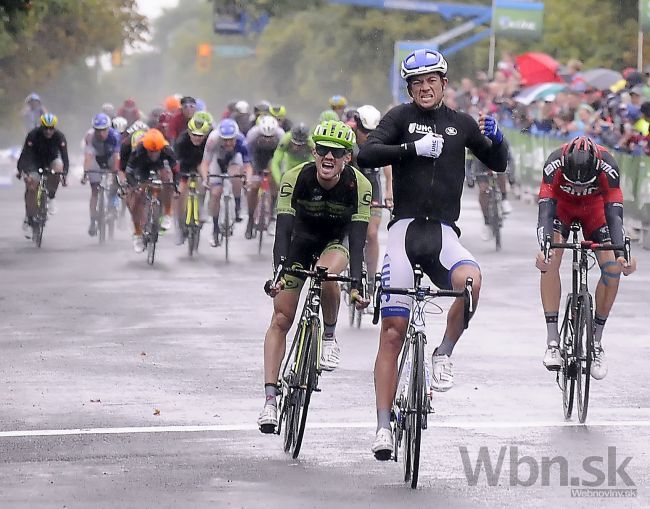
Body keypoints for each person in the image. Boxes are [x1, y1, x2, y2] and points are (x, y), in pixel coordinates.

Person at [356, 49, 509, 459]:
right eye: (417, 83)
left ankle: (443, 354)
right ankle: (384, 427)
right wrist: (410, 149)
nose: (425, 89)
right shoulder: (400, 117)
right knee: (392, 332)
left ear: (444, 84)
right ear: (410, 88)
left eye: (432, 82)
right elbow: (365, 154)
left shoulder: (460, 123)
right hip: (405, 232)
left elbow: (497, 163)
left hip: (443, 234)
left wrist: (498, 138)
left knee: (472, 283)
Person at [257, 120, 372, 433]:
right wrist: (280, 270)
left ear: (348, 157)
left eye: (336, 152)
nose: (328, 157)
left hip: (336, 244)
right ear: (314, 151)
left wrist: (359, 283)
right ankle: (269, 400)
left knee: (326, 274)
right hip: (299, 242)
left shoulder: (359, 185)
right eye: (322, 150)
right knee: (281, 319)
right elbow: (282, 230)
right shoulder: (296, 178)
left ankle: (330, 336)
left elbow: (359, 240)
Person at [535, 136, 636, 378]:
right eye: (574, 183)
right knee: (551, 260)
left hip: (596, 211)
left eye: (584, 184)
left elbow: (615, 217)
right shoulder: (554, 162)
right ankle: (552, 341)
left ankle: (597, 343)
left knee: (612, 268)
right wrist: (544, 248)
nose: (579, 187)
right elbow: (545, 212)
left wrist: (623, 254)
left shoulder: (608, 165)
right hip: (563, 209)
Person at [351, 105, 394, 282]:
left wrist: (389, 191)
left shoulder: (380, 140)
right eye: (363, 130)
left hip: (372, 188)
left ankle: (370, 280)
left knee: (371, 234)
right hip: (350, 188)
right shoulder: (349, 139)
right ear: (356, 126)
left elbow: (388, 165)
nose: (366, 136)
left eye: (371, 131)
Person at [199, 118, 251, 247]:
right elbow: (205, 163)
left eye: (231, 140)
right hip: (217, 160)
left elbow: (247, 165)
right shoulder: (213, 139)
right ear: (220, 137)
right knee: (215, 193)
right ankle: (215, 229)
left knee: (236, 175)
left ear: (236, 137)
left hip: (234, 159)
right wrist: (206, 179)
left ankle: (237, 205)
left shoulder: (241, 141)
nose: (228, 143)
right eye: (225, 140)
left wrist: (248, 179)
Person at [17, 113, 69, 236]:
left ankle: (51, 196)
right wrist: (21, 170)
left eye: (51, 128)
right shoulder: (33, 135)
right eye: (46, 128)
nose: (48, 131)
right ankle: (29, 217)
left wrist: (65, 174)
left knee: (58, 168)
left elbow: (65, 157)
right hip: (34, 162)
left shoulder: (59, 137)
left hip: (51, 160)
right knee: (31, 186)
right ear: (41, 126)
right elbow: (25, 154)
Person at [125, 129, 176, 253]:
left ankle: (167, 213)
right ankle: (137, 233)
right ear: (145, 148)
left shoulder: (167, 150)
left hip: (160, 166)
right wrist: (135, 187)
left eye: (156, 152)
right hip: (142, 168)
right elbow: (129, 172)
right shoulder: (138, 150)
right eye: (150, 152)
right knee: (137, 198)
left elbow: (175, 169)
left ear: (161, 148)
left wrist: (175, 184)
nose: (153, 154)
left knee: (167, 180)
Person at [173, 111, 213, 245]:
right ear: (189, 132)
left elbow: (207, 162)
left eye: (200, 136)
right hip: (184, 164)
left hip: (202, 163)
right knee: (180, 192)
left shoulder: (209, 139)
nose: (197, 138)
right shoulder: (181, 140)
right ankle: (179, 227)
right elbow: (176, 163)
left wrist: (206, 177)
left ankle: (201, 206)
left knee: (204, 183)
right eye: (194, 135)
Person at [244, 115, 285, 239]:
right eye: (265, 137)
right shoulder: (253, 134)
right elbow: (247, 156)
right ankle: (250, 219)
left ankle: (272, 215)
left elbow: (282, 157)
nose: (267, 140)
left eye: (270, 137)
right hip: (257, 156)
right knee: (253, 187)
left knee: (274, 181)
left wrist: (279, 175)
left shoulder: (280, 134)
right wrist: (250, 176)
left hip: (273, 156)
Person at [81, 113, 122, 237]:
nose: (101, 133)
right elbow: (88, 156)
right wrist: (85, 173)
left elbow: (116, 157)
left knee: (116, 179)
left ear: (108, 128)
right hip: (96, 159)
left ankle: (113, 204)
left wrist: (115, 174)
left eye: (104, 130)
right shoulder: (90, 136)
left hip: (110, 158)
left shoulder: (115, 135)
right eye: (98, 130)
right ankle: (93, 220)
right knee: (94, 190)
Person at [270, 122, 314, 188]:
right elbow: (275, 162)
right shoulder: (286, 139)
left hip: (304, 164)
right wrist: (279, 181)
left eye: (300, 145)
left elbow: (315, 163)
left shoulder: (311, 143)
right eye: (294, 143)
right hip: (289, 164)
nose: (296, 147)